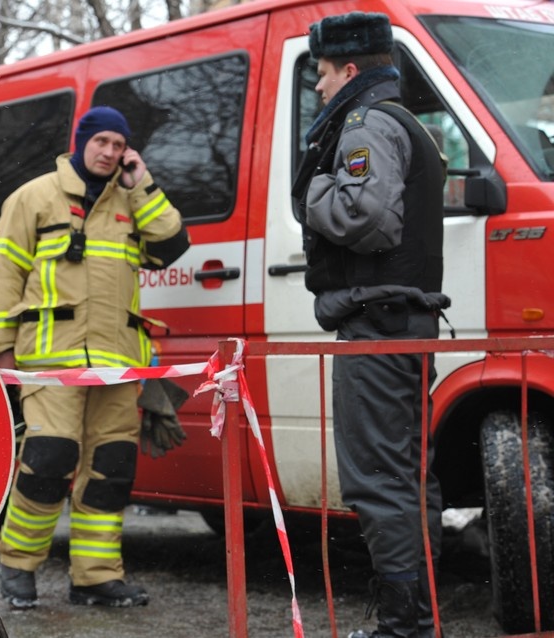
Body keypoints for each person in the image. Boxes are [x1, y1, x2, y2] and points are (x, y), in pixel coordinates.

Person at [0, 106, 190, 609]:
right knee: (48, 461)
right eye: (102, 143)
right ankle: (18, 567)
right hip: (51, 362)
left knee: (110, 469)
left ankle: (95, 577)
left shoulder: (132, 199)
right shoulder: (33, 197)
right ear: (81, 142)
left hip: (117, 361)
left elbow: (173, 243)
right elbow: (4, 276)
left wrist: (142, 183)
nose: (111, 153)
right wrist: (2, 349)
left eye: (120, 146)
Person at [290, 12, 452, 638]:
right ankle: (417, 618)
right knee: (408, 480)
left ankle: (402, 626)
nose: (320, 88)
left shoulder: (366, 125)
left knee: (379, 482)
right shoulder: (404, 122)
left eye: (324, 75)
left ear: (350, 70)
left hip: (378, 329)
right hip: (400, 326)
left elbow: (367, 218)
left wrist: (313, 190)